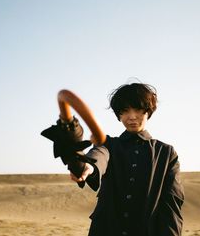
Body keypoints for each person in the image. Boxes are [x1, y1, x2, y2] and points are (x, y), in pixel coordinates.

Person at [54, 83, 184, 236]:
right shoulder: (108, 144)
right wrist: (88, 167)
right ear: (119, 115)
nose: (132, 116)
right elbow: (99, 155)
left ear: (148, 111)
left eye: (138, 109)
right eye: (125, 111)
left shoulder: (166, 153)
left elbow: (172, 205)